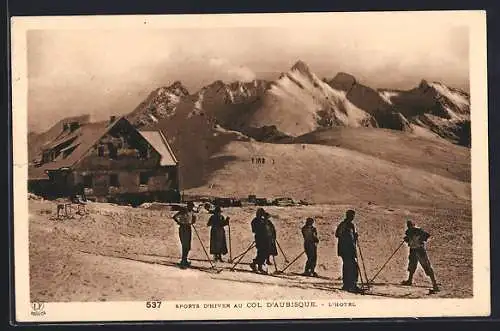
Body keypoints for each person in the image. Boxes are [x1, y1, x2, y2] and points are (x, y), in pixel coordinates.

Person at [401, 220, 440, 292]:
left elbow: (427, 236)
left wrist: (419, 240)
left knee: (427, 267)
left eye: (410, 225)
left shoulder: (419, 231)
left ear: (413, 225)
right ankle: (409, 281)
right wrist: (408, 240)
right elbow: (408, 240)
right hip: (413, 250)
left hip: (420, 250)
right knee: (412, 266)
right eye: (408, 226)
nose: (409, 227)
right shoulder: (408, 232)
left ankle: (435, 285)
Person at [335, 209, 362, 293]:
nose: (352, 217)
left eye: (353, 216)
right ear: (348, 216)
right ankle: (351, 285)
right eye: (351, 216)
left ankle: (348, 285)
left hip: (348, 249)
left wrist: (354, 236)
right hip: (346, 249)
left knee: (348, 266)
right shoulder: (345, 225)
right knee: (352, 267)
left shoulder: (349, 225)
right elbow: (337, 234)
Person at [173, 201, 197, 268]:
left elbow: (194, 219)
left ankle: (185, 259)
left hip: (188, 228)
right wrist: (179, 222)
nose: (191, 208)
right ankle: (183, 260)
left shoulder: (192, 212)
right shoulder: (183, 211)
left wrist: (193, 221)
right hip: (183, 228)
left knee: (188, 246)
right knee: (184, 244)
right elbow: (174, 217)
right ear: (188, 206)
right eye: (190, 206)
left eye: (192, 207)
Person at [250, 208, 271, 274]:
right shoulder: (255, 221)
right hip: (260, 238)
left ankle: (259, 266)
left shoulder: (262, 220)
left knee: (264, 253)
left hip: (265, 238)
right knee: (261, 252)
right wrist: (264, 222)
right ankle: (255, 263)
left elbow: (268, 228)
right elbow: (255, 230)